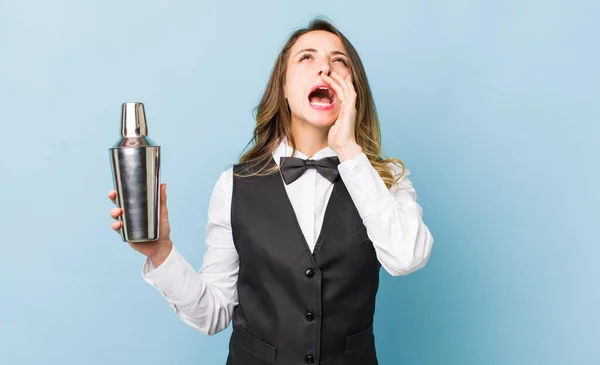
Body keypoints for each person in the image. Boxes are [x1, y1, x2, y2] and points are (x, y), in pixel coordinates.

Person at [108, 18, 434, 365]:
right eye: (307, 58)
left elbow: (406, 259)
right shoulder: (233, 185)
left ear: (353, 90)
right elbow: (212, 314)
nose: (325, 67)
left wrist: (350, 151)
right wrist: (160, 252)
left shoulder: (388, 181)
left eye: (339, 61)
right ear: (283, 87)